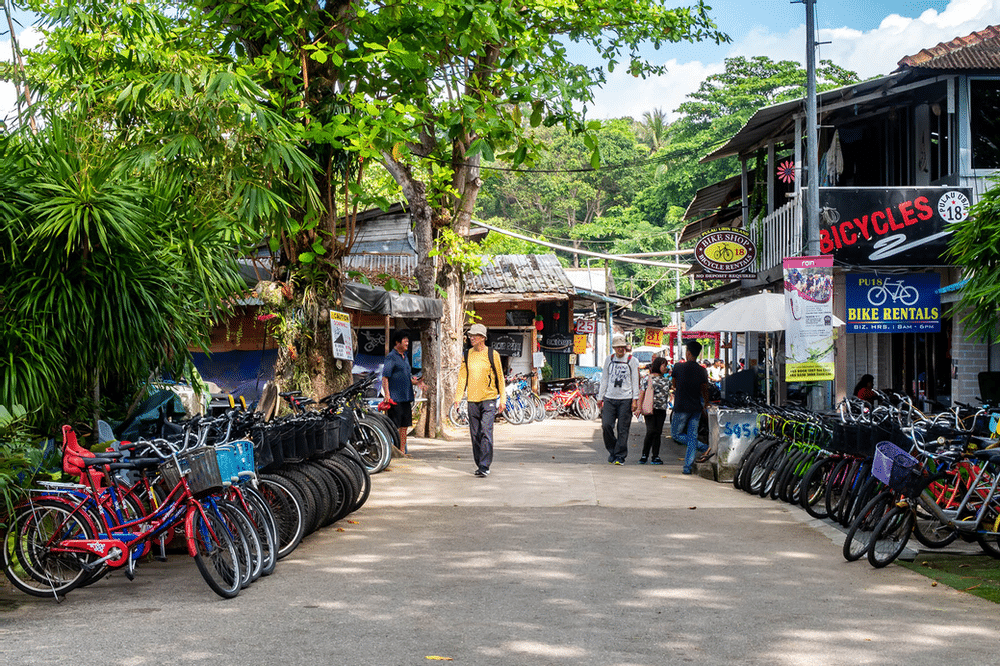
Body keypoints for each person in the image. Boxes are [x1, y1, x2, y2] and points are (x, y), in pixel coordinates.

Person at [455, 323, 506, 477]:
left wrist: (502, 399)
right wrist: (458, 398)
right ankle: (479, 463)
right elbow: (463, 377)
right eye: (470, 335)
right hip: (472, 400)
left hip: (489, 398)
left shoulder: (493, 354)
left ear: (483, 338)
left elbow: (500, 378)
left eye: (475, 335)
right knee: (475, 434)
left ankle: (484, 465)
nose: (471, 338)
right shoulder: (467, 354)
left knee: (486, 431)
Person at [381, 330, 426, 455]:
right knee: (395, 426)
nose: (407, 343)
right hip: (395, 398)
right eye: (405, 340)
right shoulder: (391, 357)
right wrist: (387, 395)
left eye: (408, 340)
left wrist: (417, 382)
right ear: (397, 342)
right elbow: (385, 377)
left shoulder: (405, 357)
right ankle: (393, 451)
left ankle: (402, 451)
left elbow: (407, 378)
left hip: (406, 397)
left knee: (405, 426)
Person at [597, 333, 640, 465]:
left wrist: (635, 400)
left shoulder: (632, 360)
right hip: (610, 398)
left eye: (622, 347)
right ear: (614, 348)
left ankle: (620, 456)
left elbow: (635, 380)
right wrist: (600, 397)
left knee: (623, 429)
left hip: (625, 399)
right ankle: (613, 450)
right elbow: (604, 378)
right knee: (606, 425)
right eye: (617, 347)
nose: (620, 350)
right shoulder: (609, 359)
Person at [671, 339, 710, 475]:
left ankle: (704, 447)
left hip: (681, 406)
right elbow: (704, 389)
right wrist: (706, 403)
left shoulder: (678, 367)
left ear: (688, 353)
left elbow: (674, 385)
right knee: (692, 435)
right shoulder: (702, 371)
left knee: (676, 434)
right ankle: (687, 467)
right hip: (696, 408)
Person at [636, 356, 671, 465]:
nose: (666, 368)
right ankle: (644, 455)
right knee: (650, 431)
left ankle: (655, 456)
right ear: (658, 365)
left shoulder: (666, 380)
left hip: (661, 409)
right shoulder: (647, 379)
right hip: (650, 409)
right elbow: (641, 394)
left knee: (658, 432)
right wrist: (638, 407)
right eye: (664, 365)